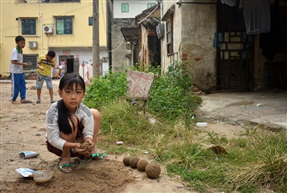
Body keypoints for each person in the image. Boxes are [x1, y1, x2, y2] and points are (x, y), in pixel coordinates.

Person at [45, 73, 101, 173]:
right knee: (71, 120)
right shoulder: (53, 112)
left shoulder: (84, 111)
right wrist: (74, 146)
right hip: (58, 146)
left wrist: (88, 140)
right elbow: (53, 139)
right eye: (68, 92)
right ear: (60, 93)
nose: (73, 97)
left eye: (78, 92)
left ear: (83, 94)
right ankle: (65, 157)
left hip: (77, 145)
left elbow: (88, 131)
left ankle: (89, 151)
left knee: (95, 114)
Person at [10, 35, 32, 104]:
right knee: (15, 86)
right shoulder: (15, 50)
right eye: (21, 43)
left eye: (24, 43)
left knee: (22, 85)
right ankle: (13, 99)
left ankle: (23, 98)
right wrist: (23, 64)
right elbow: (13, 61)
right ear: (17, 43)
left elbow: (18, 61)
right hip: (14, 72)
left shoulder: (20, 50)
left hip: (20, 71)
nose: (23, 44)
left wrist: (23, 65)